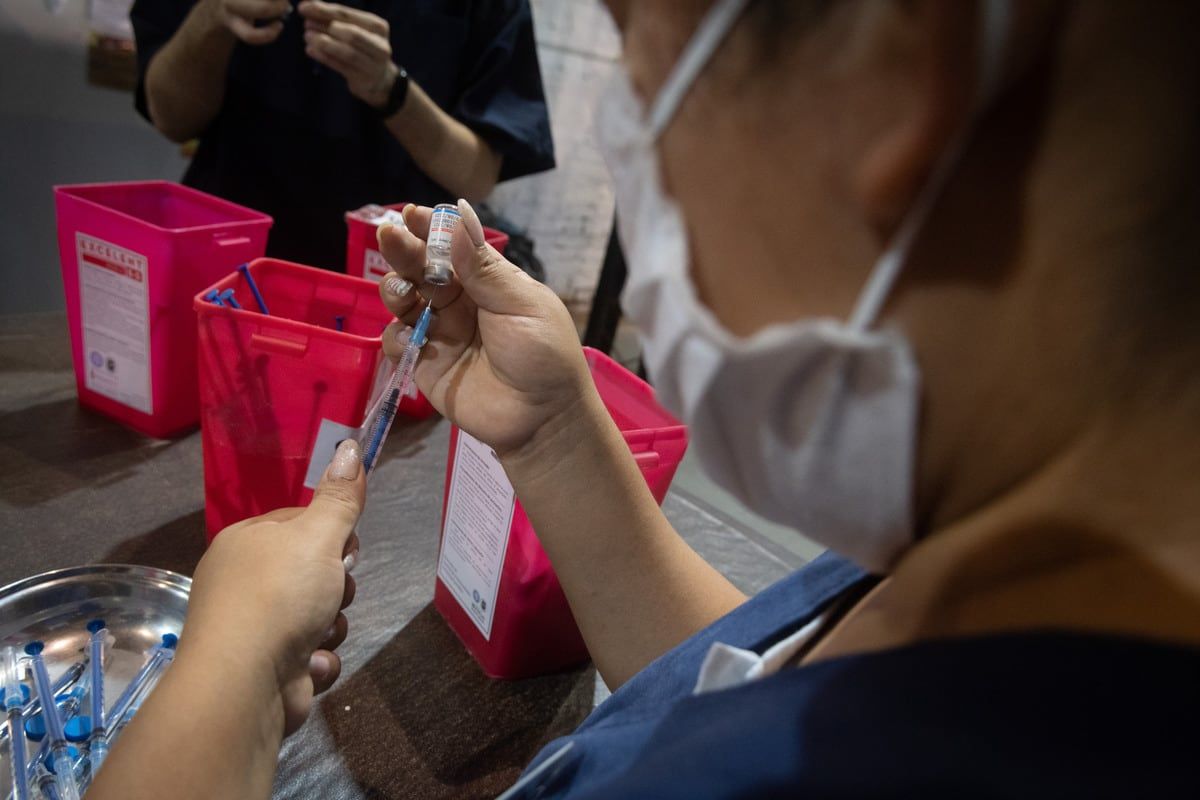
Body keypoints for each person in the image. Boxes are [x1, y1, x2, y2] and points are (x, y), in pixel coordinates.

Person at [91, 0, 1200, 796]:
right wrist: (561, 434)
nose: (639, 140)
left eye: (646, 63)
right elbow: (760, 678)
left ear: (895, 78)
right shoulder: (997, 562)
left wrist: (226, 674)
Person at [130, 0, 555, 270]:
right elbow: (170, 118)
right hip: (227, 262)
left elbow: (477, 176)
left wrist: (391, 90)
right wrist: (211, 17)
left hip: (386, 279)